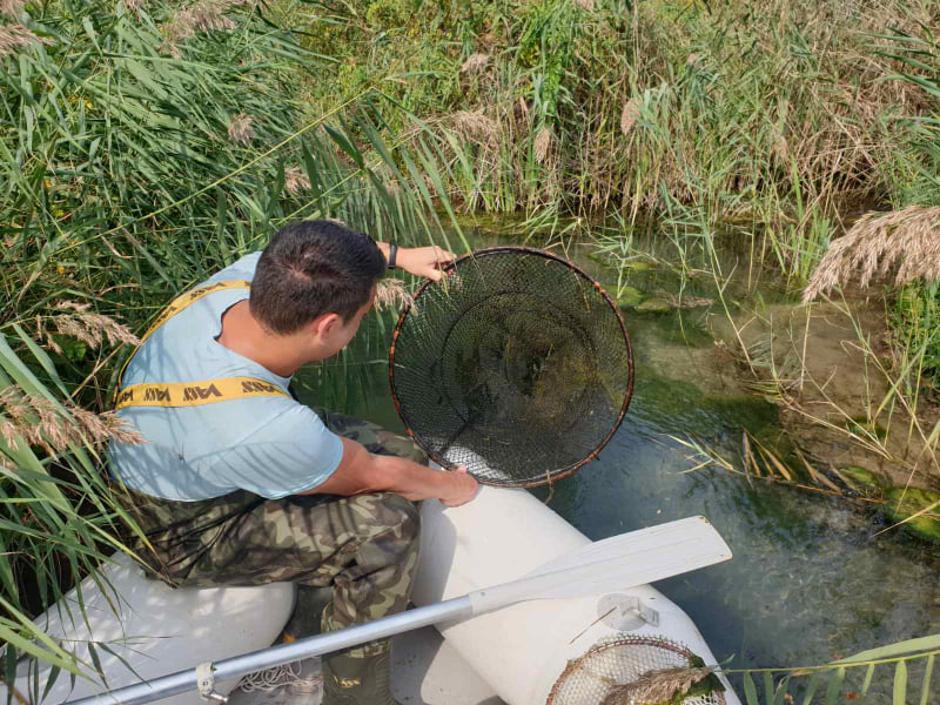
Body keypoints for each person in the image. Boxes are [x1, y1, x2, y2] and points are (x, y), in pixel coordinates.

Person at [108, 220, 479, 705]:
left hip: (186, 462)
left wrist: (399, 256)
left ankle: (308, 613)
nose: (361, 322)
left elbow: (326, 248)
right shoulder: (269, 426)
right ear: (327, 326)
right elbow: (373, 475)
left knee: (404, 455)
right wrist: (453, 488)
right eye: (361, 315)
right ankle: (356, 695)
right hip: (183, 534)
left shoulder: (243, 283)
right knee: (388, 525)